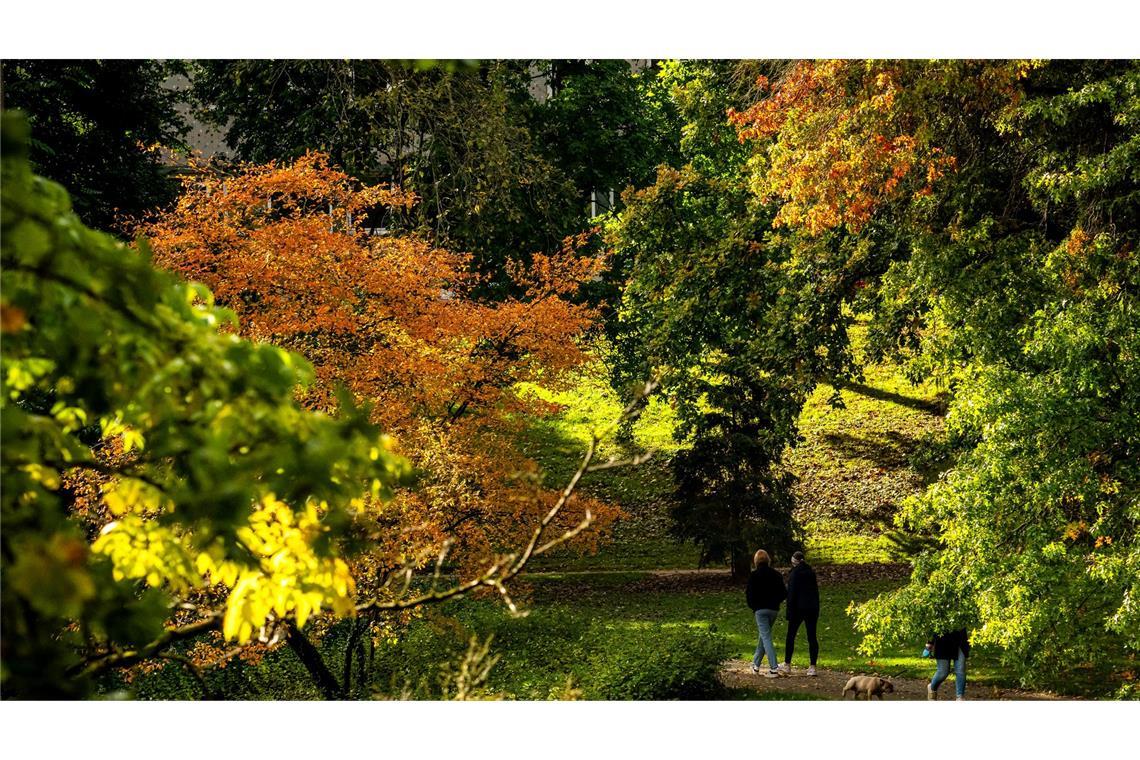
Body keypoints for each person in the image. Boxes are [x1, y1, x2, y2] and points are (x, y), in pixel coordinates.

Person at [746, 549, 787, 678]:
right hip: (773, 609)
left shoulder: (753, 575)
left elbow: (749, 595)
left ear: (756, 561)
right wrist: (776, 602)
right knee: (764, 636)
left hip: (760, 610)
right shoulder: (776, 574)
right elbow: (783, 593)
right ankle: (756, 664)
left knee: (766, 637)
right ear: (768, 560)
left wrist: (754, 607)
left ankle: (774, 668)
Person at [780, 550, 820, 676]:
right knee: (812, 637)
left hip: (798, 608)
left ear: (794, 562)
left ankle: (787, 664)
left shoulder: (794, 574)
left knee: (790, 636)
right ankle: (812, 666)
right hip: (812, 608)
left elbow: (791, 594)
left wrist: (789, 612)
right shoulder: (811, 572)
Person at [926, 628, 969, 700]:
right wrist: (930, 642)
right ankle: (932, 687)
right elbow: (932, 621)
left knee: (960, 670)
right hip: (942, 640)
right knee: (943, 672)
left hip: (959, 639)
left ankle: (960, 697)